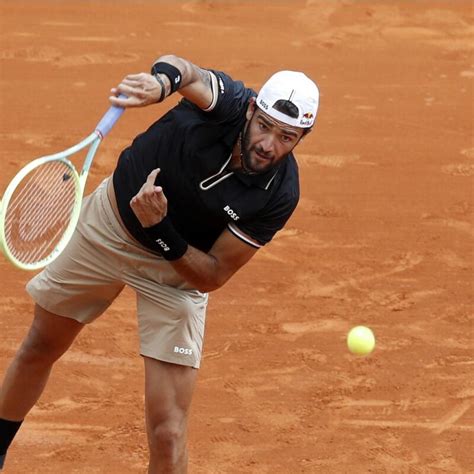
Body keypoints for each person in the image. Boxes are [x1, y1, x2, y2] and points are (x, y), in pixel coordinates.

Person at [0, 54, 319, 472]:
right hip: (110, 227)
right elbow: (186, 71)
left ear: (300, 139)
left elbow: (214, 274)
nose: (268, 145)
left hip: (175, 273)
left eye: (286, 137)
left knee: (168, 431)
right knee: (41, 345)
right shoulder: (226, 103)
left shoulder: (279, 194)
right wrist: (161, 84)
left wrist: (162, 229)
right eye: (264, 126)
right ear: (250, 110)